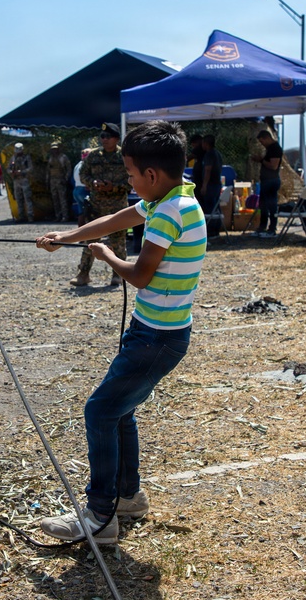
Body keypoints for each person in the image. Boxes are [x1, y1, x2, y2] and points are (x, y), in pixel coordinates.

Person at [35, 120, 207, 543]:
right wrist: (67, 237)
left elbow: (141, 275)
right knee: (119, 410)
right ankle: (128, 497)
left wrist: (108, 257)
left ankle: (100, 516)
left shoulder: (168, 212)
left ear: (151, 174)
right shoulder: (176, 198)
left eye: (130, 175)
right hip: (154, 332)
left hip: (157, 339)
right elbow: (115, 218)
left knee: (100, 411)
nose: (128, 181)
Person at [71, 122, 130, 286]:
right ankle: (83, 274)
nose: (104, 139)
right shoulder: (93, 156)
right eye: (102, 136)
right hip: (96, 207)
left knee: (118, 242)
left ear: (116, 139)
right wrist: (93, 183)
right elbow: (83, 175)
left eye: (108, 137)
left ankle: (118, 275)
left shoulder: (124, 157)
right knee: (89, 240)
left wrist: (114, 187)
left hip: (117, 207)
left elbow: (132, 180)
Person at [254, 129, 283, 238]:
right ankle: (262, 227)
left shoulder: (275, 149)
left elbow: (273, 166)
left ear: (267, 138)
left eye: (262, 141)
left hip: (271, 181)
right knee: (263, 205)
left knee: (271, 205)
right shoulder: (270, 149)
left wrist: (261, 160)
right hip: (266, 181)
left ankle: (272, 229)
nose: (262, 144)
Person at [46, 142, 72, 222]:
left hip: (61, 180)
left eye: (56, 149)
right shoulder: (50, 158)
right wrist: (47, 180)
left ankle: (65, 216)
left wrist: (66, 179)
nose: (54, 151)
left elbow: (69, 169)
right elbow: (48, 170)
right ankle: (58, 216)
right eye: (53, 149)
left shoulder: (63, 157)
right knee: (55, 200)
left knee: (63, 199)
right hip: (52, 180)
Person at [8, 143, 34, 222]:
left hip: (24, 179)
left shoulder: (26, 158)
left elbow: (30, 168)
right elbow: (8, 169)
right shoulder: (13, 158)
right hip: (16, 180)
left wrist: (22, 172)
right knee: (19, 199)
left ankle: (30, 216)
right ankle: (21, 216)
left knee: (27, 198)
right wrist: (12, 172)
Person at [199, 134, 223, 215]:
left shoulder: (209, 154)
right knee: (215, 206)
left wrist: (204, 186)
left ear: (206, 143)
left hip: (210, 186)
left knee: (210, 207)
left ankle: (212, 222)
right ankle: (217, 221)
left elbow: (208, 170)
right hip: (217, 184)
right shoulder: (217, 153)